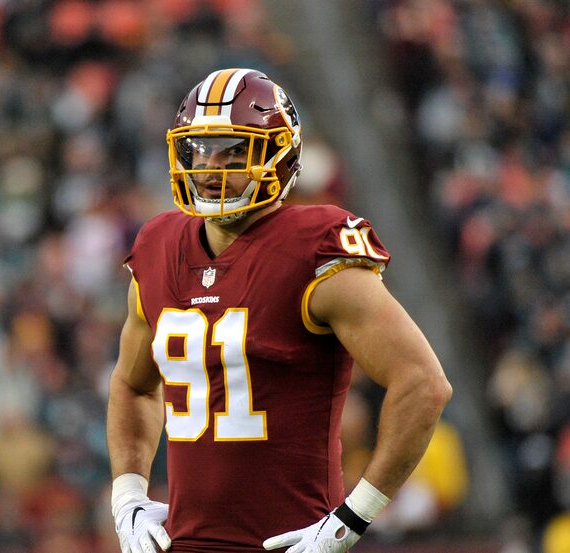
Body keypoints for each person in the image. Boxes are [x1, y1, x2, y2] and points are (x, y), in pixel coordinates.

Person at [106, 68, 452, 553]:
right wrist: (127, 495)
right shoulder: (158, 247)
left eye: (232, 150)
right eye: (199, 149)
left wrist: (352, 518)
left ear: (280, 157)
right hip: (183, 543)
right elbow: (132, 383)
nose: (209, 167)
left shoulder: (313, 251)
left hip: (290, 544)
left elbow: (423, 384)